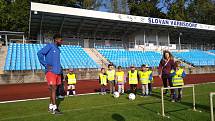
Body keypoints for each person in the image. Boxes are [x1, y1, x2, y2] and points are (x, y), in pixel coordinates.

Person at [37, 33, 63, 114]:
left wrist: (60, 70)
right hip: (51, 72)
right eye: (61, 40)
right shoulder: (50, 46)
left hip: (58, 72)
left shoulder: (58, 49)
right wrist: (45, 64)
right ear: (56, 40)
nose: (62, 42)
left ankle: (50, 106)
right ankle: (55, 109)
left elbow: (57, 61)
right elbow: (39, 53)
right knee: (53, 89)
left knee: (53, 90)